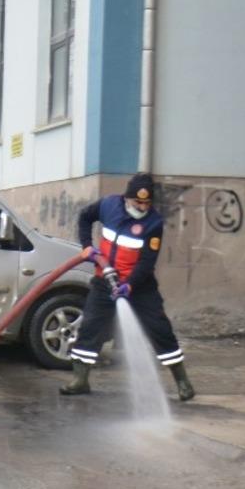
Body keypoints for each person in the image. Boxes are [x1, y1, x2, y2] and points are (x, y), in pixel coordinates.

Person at [60, 172, 196, 401]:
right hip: (104, 281)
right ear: (126, 198)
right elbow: (85, 217)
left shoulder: (153, 223)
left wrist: (129, 285)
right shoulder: (108, 205)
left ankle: (182, 381)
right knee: (90, 327)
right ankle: (80, 380)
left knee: (159, 329)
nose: (142, 207)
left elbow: (147, 262)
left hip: (139, 286)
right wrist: (87, 246)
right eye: (137, 202)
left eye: (147, 203)